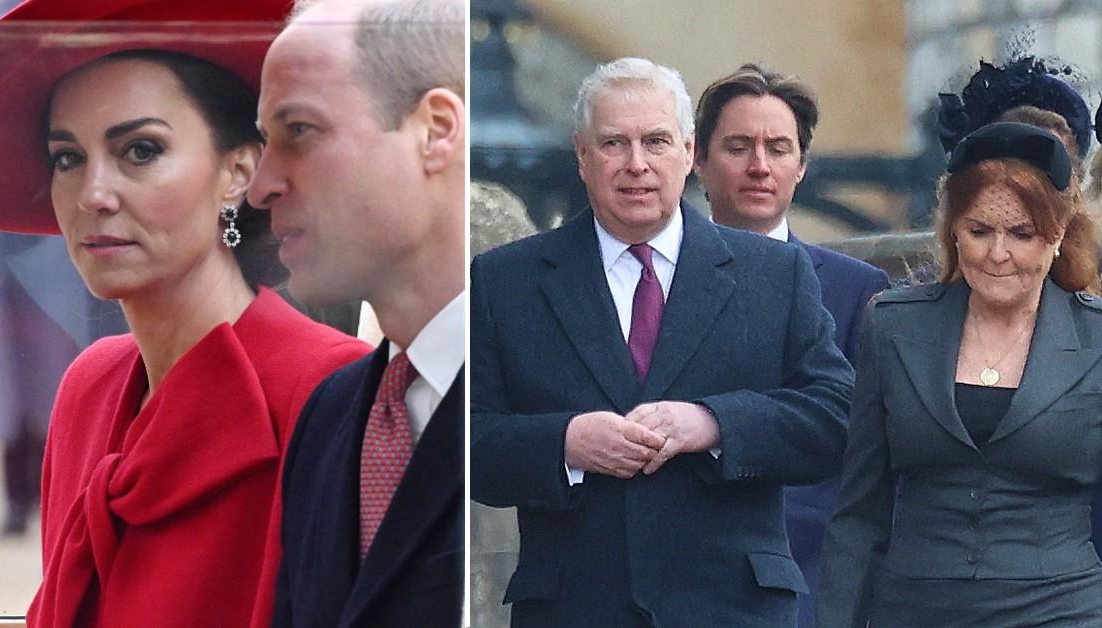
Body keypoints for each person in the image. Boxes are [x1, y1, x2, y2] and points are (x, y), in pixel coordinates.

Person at [0, 0, 371, 626]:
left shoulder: (332, 390)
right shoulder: (90, 386)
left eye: (141, 150)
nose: (94, 195)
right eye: (67, 158)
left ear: (238, 171)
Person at [471, 56, 853, 628]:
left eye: (655, 140)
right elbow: (466, 437)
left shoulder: (773, 273)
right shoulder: (506, 280)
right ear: (581, 155)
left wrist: (714, 424)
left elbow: (836, 417)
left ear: (688, 151)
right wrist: (565, 443)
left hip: (731, 607)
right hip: (576, 606)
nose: (637, 165)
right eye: (613, 144)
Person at [818, 122, 1102, 627]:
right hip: (913, 609)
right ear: (952, 230)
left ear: (1057, 234)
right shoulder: (893, 326)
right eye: (979, 231)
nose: (998, 254)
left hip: (1061, 610)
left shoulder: (1096, 339)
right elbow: (860, 511)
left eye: (1022, 233)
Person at [248, 0, 466, 626]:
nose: (260, 185)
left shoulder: (541, 379)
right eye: (266, 142)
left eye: (299, 131)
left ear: (436, 131)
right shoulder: (329, 413)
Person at [691, 65, 889, 627]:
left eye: (778, 148)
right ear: (697, 161)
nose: (759, 165)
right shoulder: (655, 284)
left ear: (801, 167)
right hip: (679, 575)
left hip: (808, 579)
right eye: (738, 146)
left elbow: (867, 460)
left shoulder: (859, 290)